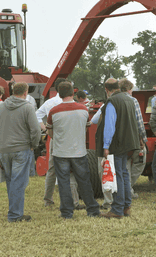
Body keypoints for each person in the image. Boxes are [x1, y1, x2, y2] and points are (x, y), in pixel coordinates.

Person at [46, 81, 102, 219]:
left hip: (61, 152)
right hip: (79, 151)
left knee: (64, 182)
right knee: (84, 181)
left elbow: (50, 132)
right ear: (73, 93)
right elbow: (87, 126)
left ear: (59, 94)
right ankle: (93, 210)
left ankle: (66, 212)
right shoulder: (83, 110)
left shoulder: (54, 111)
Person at [0, 82, 41, 222]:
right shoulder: (27, 108)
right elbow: (35, 130)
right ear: (25, 92)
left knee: (11, 181)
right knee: (19, 182)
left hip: (5, 150)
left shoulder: (1, 106)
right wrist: (33, 145)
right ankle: (15, 214)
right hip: (21, 149)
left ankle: (14, 211)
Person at [36, 78, 84, 210]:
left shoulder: (49, 103)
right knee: (71, 170)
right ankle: (74, 201)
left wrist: (45, 129)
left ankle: (48, 199)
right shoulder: (73, 103)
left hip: (55, 139)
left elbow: (37, 115)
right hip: (72, 140)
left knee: (52, 170)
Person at [96, 78, 140, 218]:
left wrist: (106, 146)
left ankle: (117, 209)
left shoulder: (112, 102)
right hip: (129, 142)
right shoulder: (129, 99)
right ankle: (126, 206)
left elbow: (109, 125)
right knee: (124, 173)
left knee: (117, 175)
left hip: (117, 143)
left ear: (107, 89)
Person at [119, 78, 148, 199]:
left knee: (125, 165)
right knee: (141, 161)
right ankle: (128, 189)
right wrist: (143, 139)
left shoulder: (114, 101)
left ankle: (125, 189)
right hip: (133, 138)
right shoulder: (133, 100)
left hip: (119, 138)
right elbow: (139, 122)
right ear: (129, 89)